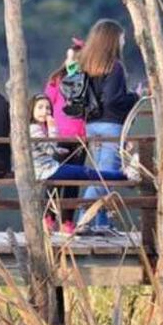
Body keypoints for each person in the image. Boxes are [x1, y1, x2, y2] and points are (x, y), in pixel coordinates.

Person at [30, 94, 131, 235]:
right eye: (40, 107)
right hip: (46, 170)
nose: (45, 111)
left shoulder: (37, 128)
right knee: (85, 173)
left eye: (47, 108)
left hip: (46, 167)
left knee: (81, 174)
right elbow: (48, 148)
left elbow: (45, 149)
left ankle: (54, 221)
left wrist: (58, 148)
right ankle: (124, 175)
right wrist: (53, 128)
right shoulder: (35, 129)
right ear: (31, 110)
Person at [77, 19, 139, 233]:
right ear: (113, 40)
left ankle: (102, 223)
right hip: (111, 125)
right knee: (106, 176)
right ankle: (83, 220)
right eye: (122, 37)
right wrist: (135, 96)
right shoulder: (115, 66)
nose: (124, 41)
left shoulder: (86, 65)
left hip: (91, 124)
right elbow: (113, 100)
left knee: (102, 174)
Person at [44, 39, 88, 231]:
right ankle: (48, 217)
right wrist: (46, 130)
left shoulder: (88, 81)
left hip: (80, 136)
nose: (69, 61)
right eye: (68, 57)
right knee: (53, 177)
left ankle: (67, 221)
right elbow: (47, 105)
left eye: (73, 58)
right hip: (58, 135)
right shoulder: (56, 79)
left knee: (73, 180)